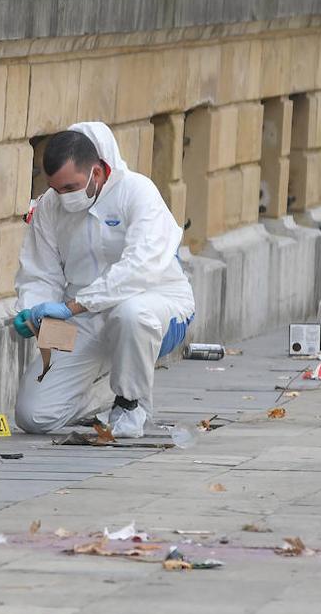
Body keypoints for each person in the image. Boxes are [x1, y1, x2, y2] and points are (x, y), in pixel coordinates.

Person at [12, 122, 195, 438]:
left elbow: (138, 268)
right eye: (56, 189)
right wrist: (34, 311)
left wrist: (73, 306)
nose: (62, 197)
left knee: (130, 314)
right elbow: (40, 272)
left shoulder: (138, 192)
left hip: (155, 306)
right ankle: (114, 390)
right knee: (34, 416)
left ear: (97, 173)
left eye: (70, 188)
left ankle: (131, 403)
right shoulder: (50, 207)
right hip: (81, 317)